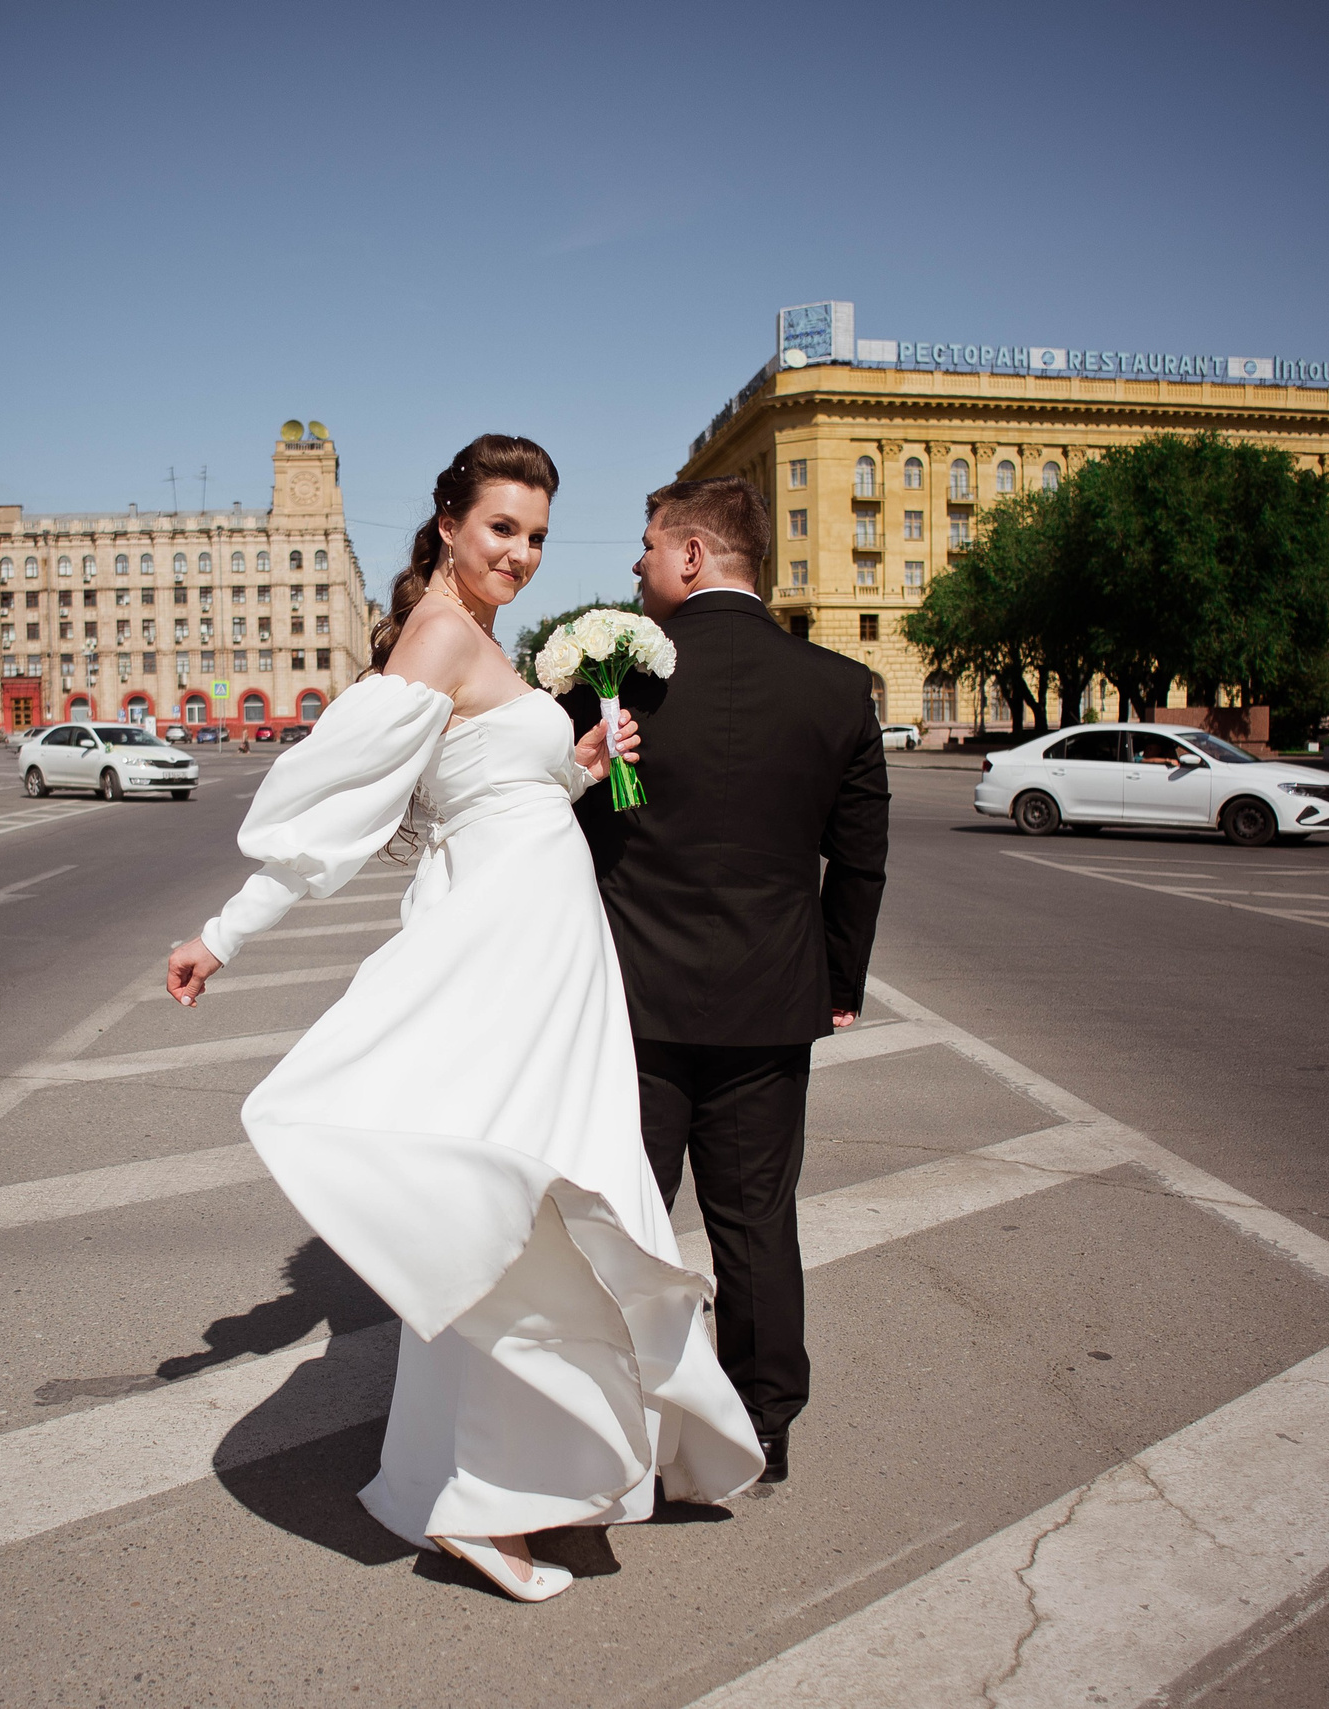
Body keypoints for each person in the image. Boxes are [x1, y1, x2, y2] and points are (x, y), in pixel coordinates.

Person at [166, 435, 763, 1603]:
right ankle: (487, 1500)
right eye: (501, 527)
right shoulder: (437, 636)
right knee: (516, 1209)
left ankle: (470, 1478)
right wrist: (222, 933)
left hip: (546, 949)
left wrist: (581, 761)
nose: (522, 554)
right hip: (503, 950)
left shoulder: (476, 641)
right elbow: (327, 822)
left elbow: (496, 787)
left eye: (536, 534)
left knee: (526, 1207)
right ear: (446, 522)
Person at [557, 476, 888, 1487]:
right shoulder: (839, 689)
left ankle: (620, 1412)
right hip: (768, 1005)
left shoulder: (612, 690)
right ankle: (762, 1420)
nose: (636, 562)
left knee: (626, 1218)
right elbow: (859, 858)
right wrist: (838, 979)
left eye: (648, 544)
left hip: (635, 1009)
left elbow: (561, 837)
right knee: (755, 1221)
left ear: (693, 555)